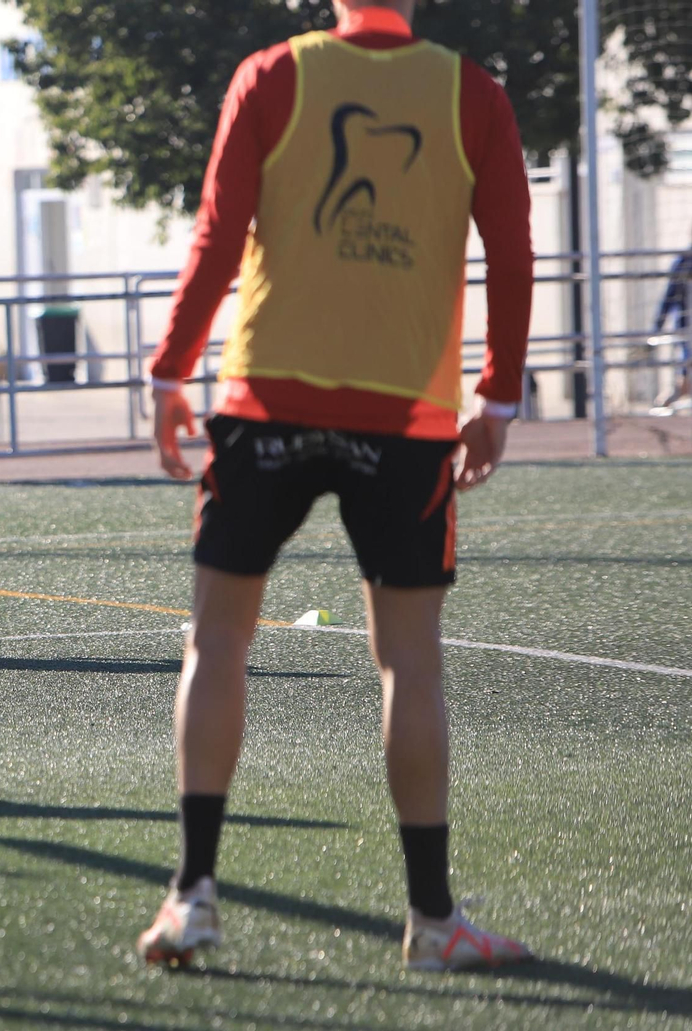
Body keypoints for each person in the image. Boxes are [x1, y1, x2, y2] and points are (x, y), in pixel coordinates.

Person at [136, 0, 534, 973]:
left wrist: (167, 370)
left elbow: (218, 233)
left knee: (217, 638)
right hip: (403, 418)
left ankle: (191, 897)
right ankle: (434, 922)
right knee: (409, 663)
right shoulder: (471, 90)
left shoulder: (272, 74)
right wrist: (500, 396)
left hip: (264, 402)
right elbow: (513, 249)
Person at [649, 236, 690, 414]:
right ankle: (669, 399)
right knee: (687, 365)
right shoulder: (683, 262)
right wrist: (658, 326)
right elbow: (669, 297)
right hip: (687, 328)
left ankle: (670, 398)